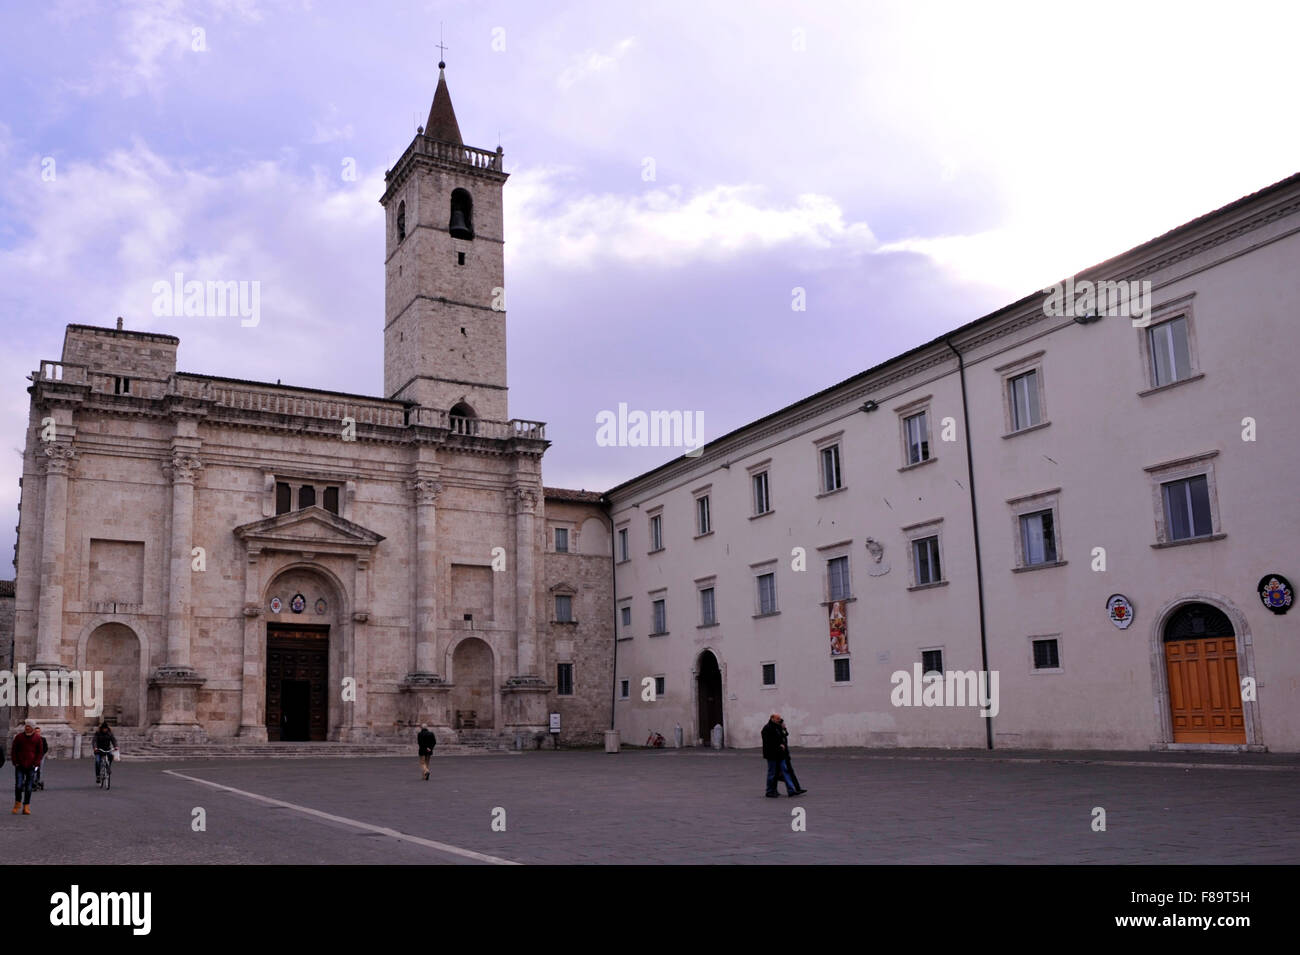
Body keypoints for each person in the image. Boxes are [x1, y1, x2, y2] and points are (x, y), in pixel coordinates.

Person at [761, 713, 803, 798]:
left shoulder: (778, 726)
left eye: (779, 719)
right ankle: (770, 791)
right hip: (772, 755)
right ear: (772, 718)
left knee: (785, 771)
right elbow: (768, 742)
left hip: (781, 754)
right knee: (772, 773)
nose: (779, 720)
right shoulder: (767, 728)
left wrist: (784, 728)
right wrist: (779, 745)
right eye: (777, 719)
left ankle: (791, 790)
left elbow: (785, 734)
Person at [11, 719, 43, 815]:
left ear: (32, 728)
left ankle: (26, 806)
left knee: (29, 787)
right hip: (20, 765)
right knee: (18, 785)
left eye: (29, 726)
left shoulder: (37, 738)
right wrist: (15, 762)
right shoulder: (19, 737)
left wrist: (36, 763)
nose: (27, 727)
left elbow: (40, 752)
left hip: (31, 766)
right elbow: (14, 750)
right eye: (26, 726)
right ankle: (17, 803)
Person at [776, 716, 807, 795]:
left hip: (785, 755)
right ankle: (794, 788)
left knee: (788, 773)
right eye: (783, 723)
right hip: (781, 756)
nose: (784, 724)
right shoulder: (777, 732)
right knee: (786, 773)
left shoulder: (782, 731)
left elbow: (786, 734)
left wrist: (784, 728)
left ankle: (796, 788)